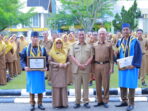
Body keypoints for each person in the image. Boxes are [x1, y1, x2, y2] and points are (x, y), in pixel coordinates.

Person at [115, 23, 142, 111]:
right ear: (122, 31)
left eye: (127, 29)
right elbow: (117, 53)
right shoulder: (120, 41)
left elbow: (138, 54)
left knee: (131, 84)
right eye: (124, 30)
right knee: (122, 83)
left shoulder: (134, 41)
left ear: (129, 31)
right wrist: (116, 59)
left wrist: (134, 65)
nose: (125, 31)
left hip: (131, 66)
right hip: (123, 66)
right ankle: (124, 101)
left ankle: (131, 103)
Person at [20, 32, 47, 111]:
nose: (35, 38)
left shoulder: (42, 48)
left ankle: (40, 103)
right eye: (33, 37)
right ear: (31, 38)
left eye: (36, 37)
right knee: (31, 87)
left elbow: (47, 59)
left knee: (40, 87)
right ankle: (32, 104)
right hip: (31, 72)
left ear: (38, 38)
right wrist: (25, 66)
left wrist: (46, 67)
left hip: (40, 72)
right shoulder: (26, 48)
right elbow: (21, 59)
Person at [69, 31, 93, 109]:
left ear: (85, 35)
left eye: (83, 34)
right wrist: (78, 64)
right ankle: (77, 102)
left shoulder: (89, 46)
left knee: (86, 86)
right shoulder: (73, 45)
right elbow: (72, 56)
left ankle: (86, 101)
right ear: (77, 36)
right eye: (80, 35)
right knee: (77, 87)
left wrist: (86, 64)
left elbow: (91, 57)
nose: (81, 36)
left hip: (86, 69)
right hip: (77, 69)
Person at [93, 28, 114, 108]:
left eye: (103, 33)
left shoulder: (109, 45)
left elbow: (111, 58)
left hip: (106, 65)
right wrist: (92, 69)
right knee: (97, 84)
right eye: (100, 33)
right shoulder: (94, 45)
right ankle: (99, 100)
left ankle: (105, 100)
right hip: (97, 65)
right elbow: (92, 57)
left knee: (106, 84)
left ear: (106, 34)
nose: (102, 35)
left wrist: (111, 68)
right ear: (98, 35)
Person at [48, 38, 69, 108]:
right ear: (54, 44)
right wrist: (58, 64)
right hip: (55, 72)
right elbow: (49, 62)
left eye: (60, 43)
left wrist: (66, 64)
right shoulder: (52, 52)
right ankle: (56, 104)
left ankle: (64, 104)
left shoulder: (65, 51)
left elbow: (69, 61)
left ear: (62, 44)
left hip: (63, 71)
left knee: (63, 87)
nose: (58, 44)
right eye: (57, 43)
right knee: (56, 87)